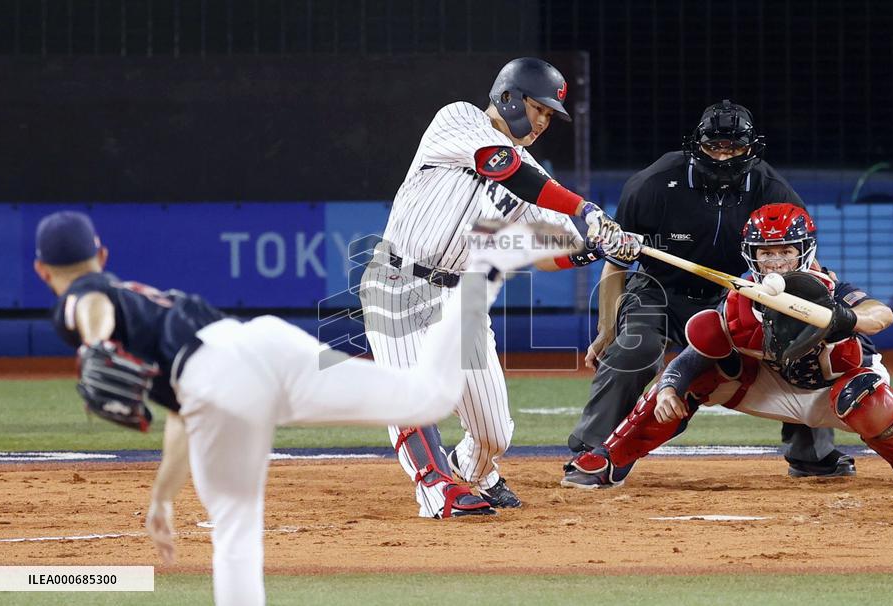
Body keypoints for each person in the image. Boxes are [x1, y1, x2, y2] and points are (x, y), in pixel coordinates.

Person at [34, 210, 580, 606]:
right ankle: (484, 267)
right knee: (428, 397)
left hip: (221, 386)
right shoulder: (139, 297)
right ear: (102, 254)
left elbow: (89, 303)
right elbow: (182, 414)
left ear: (41, 270)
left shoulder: (82, 300)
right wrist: (162, 496)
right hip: (261, 346)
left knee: (236, 533)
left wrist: (96, 343)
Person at [361, 57, 637, 517]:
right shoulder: (458, 119)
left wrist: (599, 247)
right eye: (538, 108)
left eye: (549, 115)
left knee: (494, 434)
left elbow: (547, 252)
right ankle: (436, 490)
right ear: (508, 97)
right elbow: (507, 169)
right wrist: (586, 209)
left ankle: (470, 469)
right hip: (398, 282)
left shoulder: (533, 176)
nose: (543, 121)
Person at [564, 203, 893, 489]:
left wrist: (843, 318)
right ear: (752, 256)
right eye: (767, 253)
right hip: (770, 387)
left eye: (786, 251)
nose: (776, 263)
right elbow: (693, 357)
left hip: (833, 393)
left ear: (804, 251)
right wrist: (669, 387)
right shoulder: (739, 299)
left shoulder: (829, 289)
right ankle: (610, 460)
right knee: (699, 373)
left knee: (867, 396)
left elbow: (881, 314)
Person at [562, 100, 850, 488]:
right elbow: (616, 263)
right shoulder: (654, 183)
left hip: (731, 296)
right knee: (634, 349)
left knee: (797, 343)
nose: (723, 155)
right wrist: (606, 329)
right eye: (714, 146)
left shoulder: (772, 191)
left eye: (733, 147)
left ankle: (812, 455)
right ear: (696, 145)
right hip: (657, 291)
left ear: (751, 148)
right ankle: (592, 452)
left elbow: (798, 260)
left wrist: (809, 299)